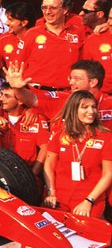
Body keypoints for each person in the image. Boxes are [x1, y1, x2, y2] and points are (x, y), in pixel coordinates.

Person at [43, 90, 112, 218]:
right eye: (85, 107)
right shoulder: (59, 135)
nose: (91, 111)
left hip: (90, 201)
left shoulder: (106, 137)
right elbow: (49, 165)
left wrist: (89, 201)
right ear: (73, 109)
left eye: (93, 107)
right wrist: (51, 192)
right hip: (59, 200)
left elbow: (108, 174)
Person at [18, 0, 85, 90]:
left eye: (53, 8)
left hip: (67, 94)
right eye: (44, 8)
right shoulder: (31, 34)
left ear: (65, 9)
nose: (48, 12)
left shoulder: (78, 33)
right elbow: (17, 65)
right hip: (36, 94)